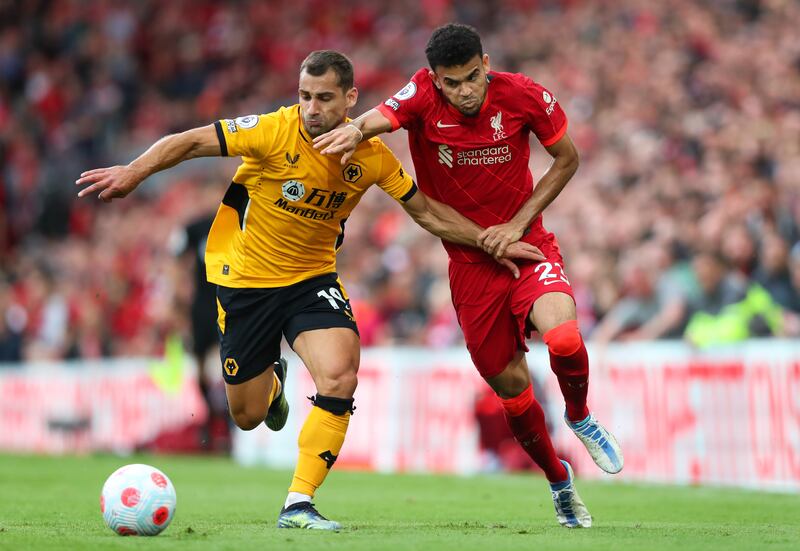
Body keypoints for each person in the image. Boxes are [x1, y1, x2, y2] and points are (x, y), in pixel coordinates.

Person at [76, 50, 543, 531]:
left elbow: (426, 212)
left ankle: (299, 502)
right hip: (246, 283)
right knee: (246, 415)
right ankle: (272, 383)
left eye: (323, 98)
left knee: (340, 376)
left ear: (350, 99)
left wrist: (492, 239)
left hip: (312, 280)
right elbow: (191, 141)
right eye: (304, 96)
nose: (311, 108)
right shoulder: (273, 130)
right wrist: (134, 172)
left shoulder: (371, 156)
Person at [315, 24, 624, 528]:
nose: (464, 91)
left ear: (486, 62)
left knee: (565, 339)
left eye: (471, 77)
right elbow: (384, 114)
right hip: (469, 267)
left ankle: (581, 416)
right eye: (451, 83)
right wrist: (357, 128)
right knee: (513, 393)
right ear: (436, 80)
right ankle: (559, 482)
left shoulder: (523, 94)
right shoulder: (421, 95)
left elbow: (568, 159)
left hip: (527, 246)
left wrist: (518, 223)